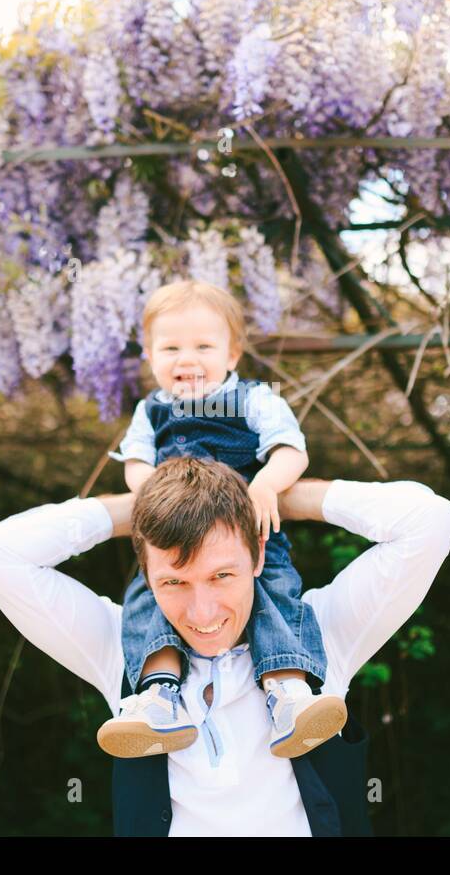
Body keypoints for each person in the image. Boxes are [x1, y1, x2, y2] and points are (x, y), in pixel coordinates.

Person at [0, 456, 450, 836]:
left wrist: (279, 498)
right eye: (174, 583)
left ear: (259, 554)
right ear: (145, 573)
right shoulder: (123, 651)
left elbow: (430, 521)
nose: (203, 614)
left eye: (222, 575)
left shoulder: (320, 635)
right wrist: (137, 510)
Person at [98, 278, 342, 761]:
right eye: (170, 348)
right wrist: (150, 496)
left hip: (249, 535)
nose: (186, 359)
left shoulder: (253, 398)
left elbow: (291, 449)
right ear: (149, 356)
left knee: (274, 594)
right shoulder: (151, 411)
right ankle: (157, 697)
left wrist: (269, 484)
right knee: (149, 599)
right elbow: (136, 465)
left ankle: (289, 693)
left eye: (203, 346)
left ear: (232, 355)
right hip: (175, 538)